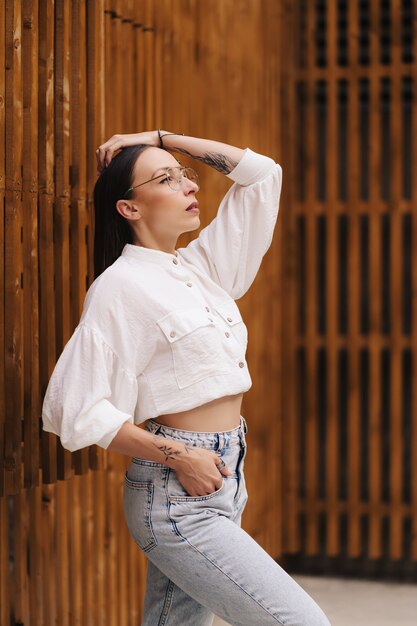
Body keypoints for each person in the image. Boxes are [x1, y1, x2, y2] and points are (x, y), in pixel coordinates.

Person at [42, 130, 331, 626]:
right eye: (165, 179)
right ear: (129, 208)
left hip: (223, 476)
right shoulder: (119, 288)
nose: (189, 186)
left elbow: (262, 175)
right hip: (176, 494)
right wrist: (182, 456)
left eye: (185, 175)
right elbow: (74, 409)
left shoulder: (202, 269)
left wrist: (162, 137)